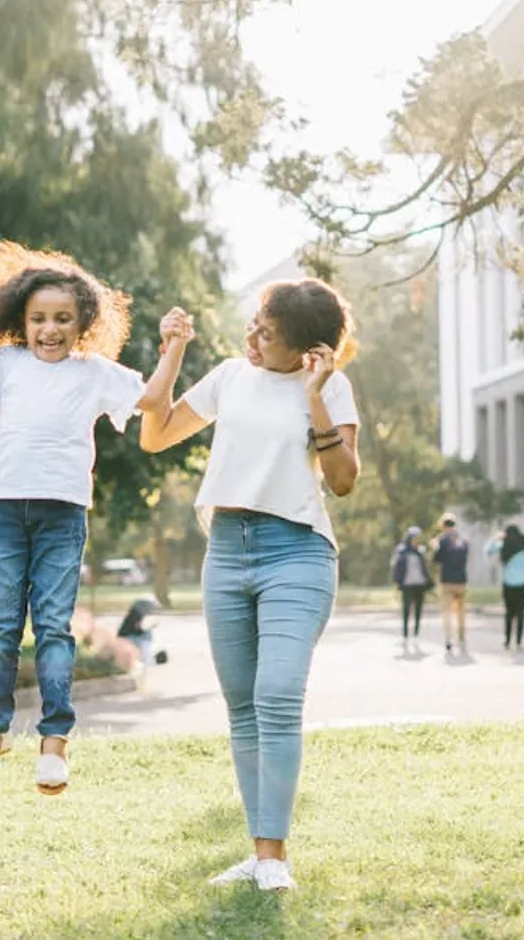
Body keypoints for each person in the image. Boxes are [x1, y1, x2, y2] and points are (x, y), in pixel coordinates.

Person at [0, 241, 188, 795]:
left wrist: (172, 348)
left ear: (84, 323)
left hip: (62, 512)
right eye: (38, 319)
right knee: (2, 627)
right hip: (3, 507)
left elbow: (150, 400)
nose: (49, 330)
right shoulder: (6, 362)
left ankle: (55, 745)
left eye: (62, 319)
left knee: (53, 626)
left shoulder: (93, 372)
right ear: (19, 321)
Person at [139, 277, 361, 893]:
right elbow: (153, 436)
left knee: (278, 694)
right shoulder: (232, 376)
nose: (254, 338)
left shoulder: (332, 386)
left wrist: (315, 396)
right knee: (243, 710)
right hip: (227, 552)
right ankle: (261, 854)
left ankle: (274, 859)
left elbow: (343, 480)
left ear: (309, 350)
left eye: (270, 334)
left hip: (298, 551)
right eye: (256, 325)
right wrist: (174, 352)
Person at [486, 523, 524, 651]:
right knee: (520, 613)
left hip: (508, 583)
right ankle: (518, 642)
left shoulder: (502, 546)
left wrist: (495, 538)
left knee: (509, 613)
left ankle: (507, 641)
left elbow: (487, 550)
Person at [432, 514, 472, 654]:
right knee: (461, 612)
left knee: (447, 611)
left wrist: (435, 546)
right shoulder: (463, 540)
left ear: (443, 526)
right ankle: (461, 638)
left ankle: (448, 638)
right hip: (461, 581)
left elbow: (436, 559)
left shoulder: (442, 541)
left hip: (447, 581)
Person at [390, 526, 432, 650]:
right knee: (406, 610)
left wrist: (429, 582)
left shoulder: (421, 551)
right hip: (407, 585)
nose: (416, 541)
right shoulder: (401, 551)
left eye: (418, 539)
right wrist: (397, 581)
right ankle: (405, 634)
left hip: (420, 584)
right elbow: (395, 566)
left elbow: (424, 568)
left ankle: (416, 634)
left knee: (419, 610)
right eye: (414, 538)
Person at [116, 594, 167, 683]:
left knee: (147, 637)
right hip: (129, 638)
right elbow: (138, 628)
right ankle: (147, 660)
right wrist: (150, 625)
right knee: (146, 641)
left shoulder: (140, 614)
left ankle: (148, 659)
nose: (152, 609)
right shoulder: (136, 614)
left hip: (134, 637)